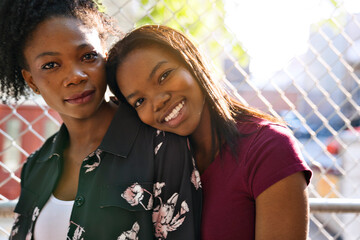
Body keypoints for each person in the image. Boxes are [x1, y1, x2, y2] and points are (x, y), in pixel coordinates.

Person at [0, 2, 201, 239]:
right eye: (51, 65)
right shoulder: (37, 165)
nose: (75, 76)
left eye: (87, 56)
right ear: (31, 81)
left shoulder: (159, 146)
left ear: (104, 56)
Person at [107, 24, 313, 240]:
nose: (158, 102)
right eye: (139, 101)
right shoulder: (155, 162)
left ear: (192, 62)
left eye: (164, 75)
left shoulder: (268, 148)